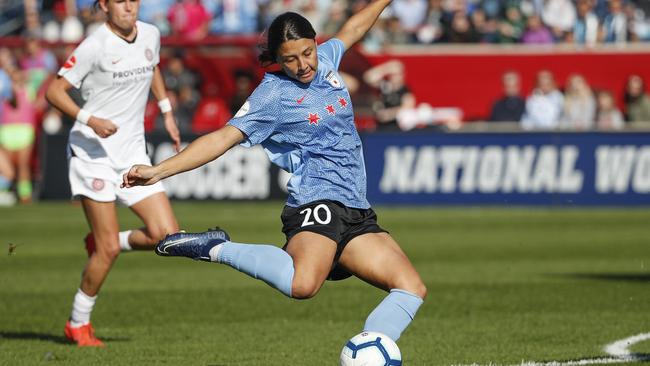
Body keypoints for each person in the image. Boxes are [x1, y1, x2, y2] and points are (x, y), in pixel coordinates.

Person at [123, 1, 427, 345]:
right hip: (316, 201)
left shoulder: (327, 59)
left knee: (411, 288)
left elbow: (355, 28)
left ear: (315, 43)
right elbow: (223, 137)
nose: (302, 65)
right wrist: (159, 170)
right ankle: (218, 248)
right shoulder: (272, 95)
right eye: (290, 59)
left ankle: (370, 353)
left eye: (307, 52)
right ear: (277, 60)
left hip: (356, 208)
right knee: (302, 285)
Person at [45, 0, 180, 347]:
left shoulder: (150, 33)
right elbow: (54, 91)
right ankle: (77, 323)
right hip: (94, 153)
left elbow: (152, 66)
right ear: (104, 6)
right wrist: (91, 120)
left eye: (133, 0)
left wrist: (165, 110)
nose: (129, 7)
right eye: (120, 1)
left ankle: (107, 240)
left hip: (133, 153)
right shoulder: (94, 46)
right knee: (108, 252)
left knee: (166, 235)